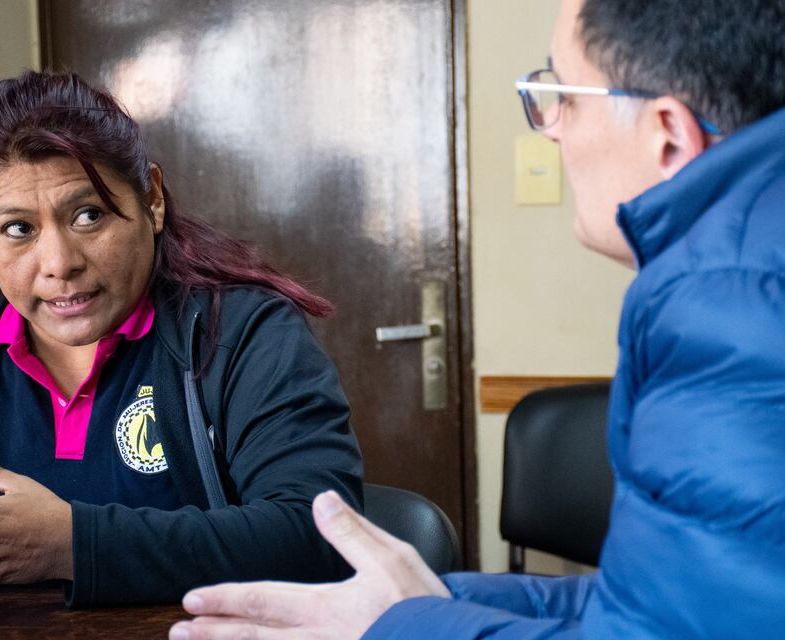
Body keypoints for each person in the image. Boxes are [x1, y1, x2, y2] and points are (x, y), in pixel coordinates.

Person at [170, 0, 785, 637]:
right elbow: (660, 608)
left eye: (564, 97)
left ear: (668, 133)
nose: (550, 129)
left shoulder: (731, 305)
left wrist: (401, 629)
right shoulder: (746, 261)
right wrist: (424, 605)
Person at [0, 71, 363, 607]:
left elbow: (319, 534)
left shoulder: (243, 332)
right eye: (17, 229)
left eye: (89, 215)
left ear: (152, 199)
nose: (59, 264)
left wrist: (74, 545)